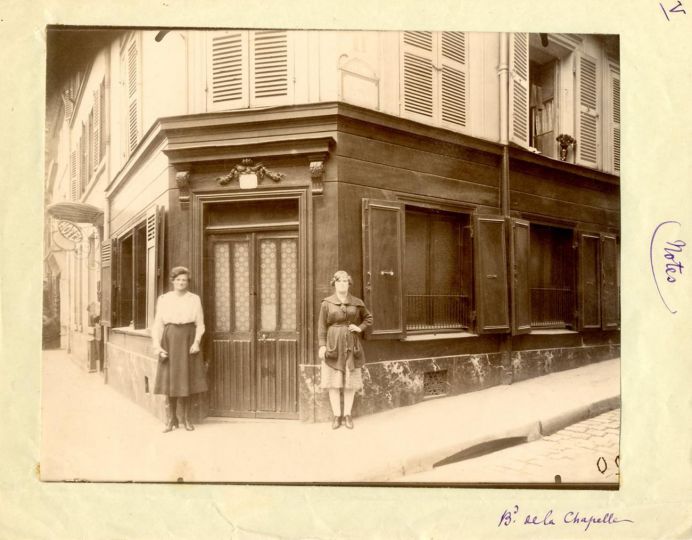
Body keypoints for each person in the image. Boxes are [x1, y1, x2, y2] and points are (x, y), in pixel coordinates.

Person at [151, 266, 208, 432]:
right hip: (170, 338)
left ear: (187, 282)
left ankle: (187, 419)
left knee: (187, 380)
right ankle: (171, 420)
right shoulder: (164, 299)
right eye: (178, 280)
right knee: (170, 380)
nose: (181, 282)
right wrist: (157, 346)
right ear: (173, 281)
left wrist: (196, 342)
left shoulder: (194, 299)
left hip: (188, 339)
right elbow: (158, 324)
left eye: (184, 280)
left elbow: (200, 323)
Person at [318, 270, 373, 429]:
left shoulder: (357, 302)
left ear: (349, 283)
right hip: (333, 344)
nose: (342, 284)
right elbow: (321, 326)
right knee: (333, 382)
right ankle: (337, 415)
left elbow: (368, 318)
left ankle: (347, 414)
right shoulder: (326, 303)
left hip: (351, 345)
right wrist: (322, 346)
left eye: (345, 281)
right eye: (339, 281)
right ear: (334, 283)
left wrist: (359, 327)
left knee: (351, 382)